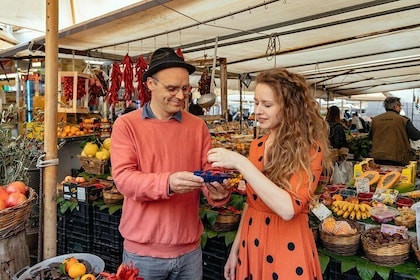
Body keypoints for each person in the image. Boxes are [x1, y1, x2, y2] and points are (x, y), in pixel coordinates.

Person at [110, 47, 231, 279]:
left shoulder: (197, 126)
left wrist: (217, 191)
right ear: (150, 85)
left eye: (185, 88)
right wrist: (168, 183)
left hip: (190, 250)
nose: (180, 95)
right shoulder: (126, 125)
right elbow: (124, 179)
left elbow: (208, 171)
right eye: (171, 88)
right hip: (143, 252)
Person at [207, 68, 332, 280]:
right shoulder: (257, 145)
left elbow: (288, 209)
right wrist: (235, 250)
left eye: (267, 105)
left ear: (289, 108)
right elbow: (251, 202)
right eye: (256, 103)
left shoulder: (310, 149)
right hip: (251, 238)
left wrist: (241, 163)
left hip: (286, 244)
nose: (258, 111)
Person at [369, 97, 420, 166]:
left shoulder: (375, 120)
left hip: (378, 157)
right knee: (396, 176)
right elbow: (416, 136)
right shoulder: (403, 120)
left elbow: (370, 137)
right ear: (396, 107)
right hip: (398, 158)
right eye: (400, 106)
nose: (401, 108)